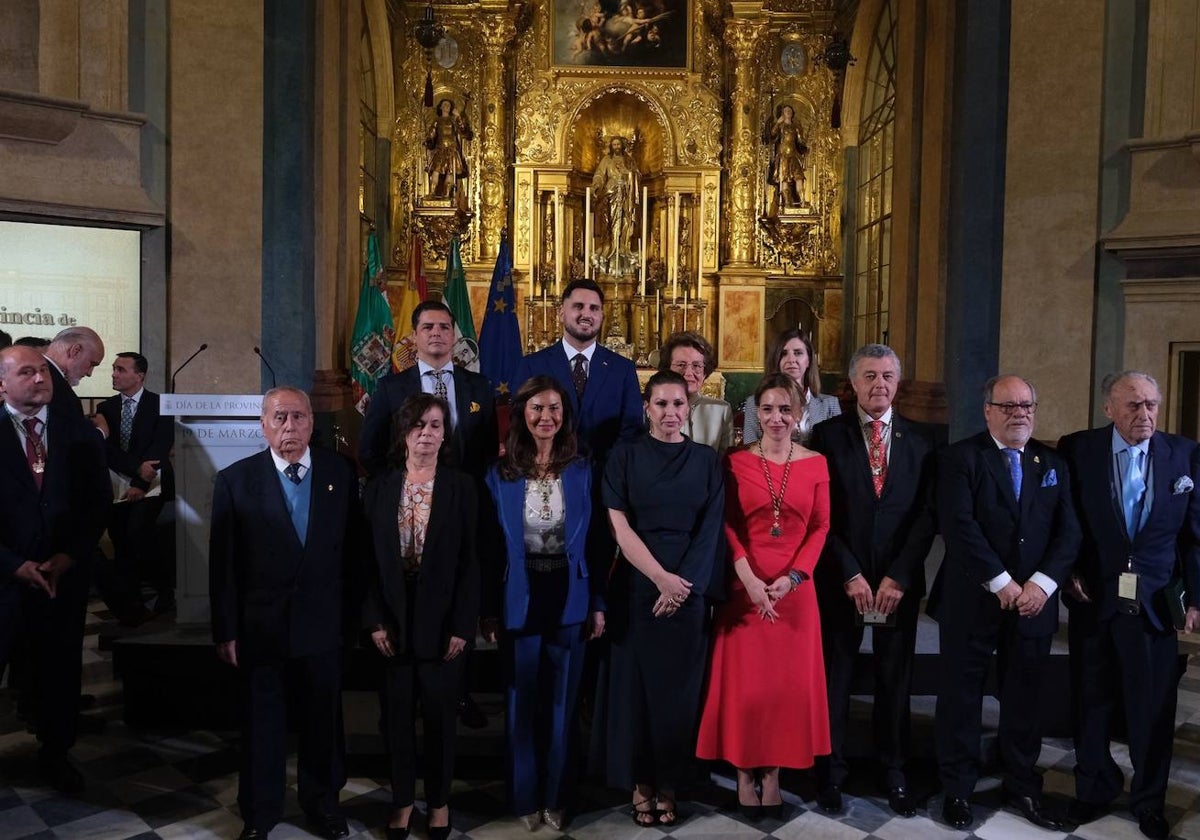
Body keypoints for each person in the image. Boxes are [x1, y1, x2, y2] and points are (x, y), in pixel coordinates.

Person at [929, 374, 1080, 832]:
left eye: (1027, 406)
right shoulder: (960, 458)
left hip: (1034, 603)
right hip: (972, 600)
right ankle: (957, 788)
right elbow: (959, 527)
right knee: (961, 697)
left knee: (1024, 699)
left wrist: (1040, 585)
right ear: (988, 410)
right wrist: (1001, 583)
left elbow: (1068, 532)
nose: (1020, 414)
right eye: (1009, 406)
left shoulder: (1050, 461)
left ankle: (1021, 784)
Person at [209, 387, 360, 840]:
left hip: (323, 625)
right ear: (262, 425)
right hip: (261, 628)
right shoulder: (236, 479)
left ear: (313, 422)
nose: (288, 427)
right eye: (278, 418)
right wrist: (226, 630)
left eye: (297, 417)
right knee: (262, 725)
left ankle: (323, 804)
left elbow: (354, 554)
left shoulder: (341, 473)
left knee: (322, 723)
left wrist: (352, 622)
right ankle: (259, 813)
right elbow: (224, 565)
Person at [1058, 371, 1200, 840]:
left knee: (1153, 708)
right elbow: (1066, 520)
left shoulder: (1184, 454)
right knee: (1092, 700)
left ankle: (1149, 801)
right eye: (1134, 405)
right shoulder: (1077, 449)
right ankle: (1094, 788)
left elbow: (1195, 539)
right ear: (1108, 409)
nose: (1145, 414)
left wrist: (1196, 598)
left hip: (1155, 605)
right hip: (1094, 599)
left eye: (1152, 405)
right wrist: (1069, 572)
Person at [808, 344, 938, 817]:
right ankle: (830, 773)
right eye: (869, 376)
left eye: (887, 376)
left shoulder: (923, 441)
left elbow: (927, 516)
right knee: (835, 680)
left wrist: (899, 577)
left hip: (896, 586)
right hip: (843, 581)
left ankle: (895, 771)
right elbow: (820, 516)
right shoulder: (826, 436)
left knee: (893, 681)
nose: (879, 384)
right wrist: (849, 572)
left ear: (897, 383)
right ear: (853, 383)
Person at [696, 373, 831, 820]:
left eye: (785, 409)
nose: (776, 418)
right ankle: (741, 770)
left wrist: (794, 577)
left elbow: (820, 527)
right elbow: (726, 523)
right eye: (767, 409)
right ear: (755, 413)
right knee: (746, 686)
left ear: (798, 414)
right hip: (744, 587)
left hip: (795, 590)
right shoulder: (734, 461)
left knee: (783, 688)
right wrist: (749, 579)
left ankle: (771, 773)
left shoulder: (816, 463)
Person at [360, 300, 497, 728]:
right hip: (409, 507)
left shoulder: (478, 386)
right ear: (415, 335)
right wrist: (404, 488)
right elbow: (370, 450)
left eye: (444, 327)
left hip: (463, 506)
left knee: (459, 594)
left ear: (455, 334)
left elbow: (489, 450)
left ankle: (459, 694)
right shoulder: (391, 388)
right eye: (427, 327)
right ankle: (406, 697)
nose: (436, 334)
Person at [603, 370, 724, 827]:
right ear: (646, 408)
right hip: (638, 584)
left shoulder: (706, 461)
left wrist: (683, 583)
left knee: (678, 692)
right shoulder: (624, 455)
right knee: (637, 690)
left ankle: (671, 783)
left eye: (678, 404)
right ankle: (641, 784)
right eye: (661, 404)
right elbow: (618, 525)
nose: (670, 413)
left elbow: (711, 526)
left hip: (689, 589)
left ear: (687, 409)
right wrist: (660, 579)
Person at [483, 376, 603, 832]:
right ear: (522, 414)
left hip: (570, 597)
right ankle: (524, 795)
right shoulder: (499, 474)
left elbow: (595, 542)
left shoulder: (584, 469)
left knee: (562, 707)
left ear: (565, 416)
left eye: (554, 408)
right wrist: (489, 610)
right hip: (519, 598)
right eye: (536, 408)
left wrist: (598, 603)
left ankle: (557, 797)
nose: (546, 417)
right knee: (521, 703)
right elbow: (490, 547)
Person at [363, 393, 479, 840]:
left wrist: (462, 627)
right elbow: (364, 561)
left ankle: (439, 803)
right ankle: (401, 802)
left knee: (439, 721)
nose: (426, 434)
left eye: (435, 425)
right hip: (391, 618)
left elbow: (472, 562)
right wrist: (373, 620)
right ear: (403, 432)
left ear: (445, 432)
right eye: (418, 425)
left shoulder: (461, 487)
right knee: (395, 720)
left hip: (442, 619)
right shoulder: (379, 487)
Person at [0, 346, 109, 796]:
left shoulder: (76, 433)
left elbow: (96, 504)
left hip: (60, 578)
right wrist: (14, 564)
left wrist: (68, 555)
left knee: (59, 672)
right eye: (26, 372)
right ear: (2, 383)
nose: (40, 378)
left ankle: (56, 754)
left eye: (42, 370)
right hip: (4, 579)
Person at [96, 352, 175, 624]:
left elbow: (160, 445)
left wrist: (141, 482)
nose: (114, 374)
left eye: (120, 369)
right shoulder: (106, 407)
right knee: (120, 542)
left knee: (138, 535)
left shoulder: (160, 404)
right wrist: (134, 471)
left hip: (152, 485)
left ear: (139, 376)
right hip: (118, 484)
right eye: (113, 369)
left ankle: (166, 591)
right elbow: (106, 448)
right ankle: (132, 606)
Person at [742, 328, 840, 445]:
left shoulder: (830, 404)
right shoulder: (753, 403)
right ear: (776, 359)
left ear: (808, 360)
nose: (791, 360)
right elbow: (749, 447)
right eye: (784, 354)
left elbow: (838, 449)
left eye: (798, 353)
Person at [659, 331, 733, 453]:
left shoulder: (721, 410)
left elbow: (724, 463)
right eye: (681, 365)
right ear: (667, 369)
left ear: (705, 372)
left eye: (697, 366)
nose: (689, 373)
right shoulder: (654, 408)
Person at [590, 136, 640, 275]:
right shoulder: (606, 160)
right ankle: (608, 247)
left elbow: (636, 176)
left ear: (622, 146)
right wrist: (597, 186)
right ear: (611, 147)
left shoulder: (629, 160)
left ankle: (623, 247)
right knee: (610, 223)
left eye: (618, 144)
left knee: (625, 220)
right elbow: (599, 175)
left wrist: (628, 173)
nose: (616, 147)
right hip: (610, 195)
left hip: (625, 196)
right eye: (614, 145)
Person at [42, 326, 105, 418]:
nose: (89, 373)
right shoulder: (58, 391)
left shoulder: (28, 377)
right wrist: (101, 431)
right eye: (91, 364)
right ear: (76, 351)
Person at [425, 98, 472, 202]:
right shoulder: (437, 120)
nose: (447, 106)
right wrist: (428, 139)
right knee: (436, 171)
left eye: (448, 105)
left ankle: (447, 193)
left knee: (450, 171)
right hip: (440, 148)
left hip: (452, 148)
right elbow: (432, 133)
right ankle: (432, 192)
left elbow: (463, 130)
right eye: (444, 104)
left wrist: (458, 116)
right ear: (440, 107)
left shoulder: (453, 120)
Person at [766, 104, 808, 209]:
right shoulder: (780, 126)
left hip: (793, 155)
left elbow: (800, 141)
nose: (788, 112)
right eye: (786, 111)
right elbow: (772, 135)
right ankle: (787, 203)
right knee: (783, 179)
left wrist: (804, 142)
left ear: (792, 113)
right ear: (783, 114)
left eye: (790, 110)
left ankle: (802, 200)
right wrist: (777, 123)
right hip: (783, 156)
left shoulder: (796, 127)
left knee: (799, 177)